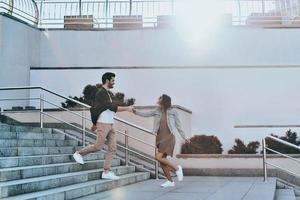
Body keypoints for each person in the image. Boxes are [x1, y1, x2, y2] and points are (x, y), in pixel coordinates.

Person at [73, 72, 133, 180]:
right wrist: (127, 108)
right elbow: (111, 107)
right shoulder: (101, 93)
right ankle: (78, 153)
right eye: (113, 80)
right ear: (107, 80)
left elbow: (107, 107)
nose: (114, 82)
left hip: (110, 123)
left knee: (113, 148)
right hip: (103, 123)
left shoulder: (108, 93)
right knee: (98, 147)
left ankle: (106, 171)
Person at [133, 94, 190, 187]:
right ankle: (170, 181)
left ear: (164, 100)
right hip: (160, 137)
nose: (158, 99)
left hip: (169, 137)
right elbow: (146, 114)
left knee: (158, 157)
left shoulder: (173, 112)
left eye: (160, 98)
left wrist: (185, 137)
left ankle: (177, 168)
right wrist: (136, 112)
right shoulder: (157, 110)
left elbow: (179, 126)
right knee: (162, 160)